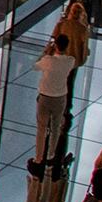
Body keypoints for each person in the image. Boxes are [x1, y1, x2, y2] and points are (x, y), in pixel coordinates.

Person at [32, 33, 77, 170]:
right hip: (60, 97)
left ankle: (39, 157)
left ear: (55, 45)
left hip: (45, 96)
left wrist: (46, 51)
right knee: (56, 127)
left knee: (41, 127)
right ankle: (51, 154)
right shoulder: (70, 61)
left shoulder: (47, 60)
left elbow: (34, 66)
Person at [57, 0, 92, 67]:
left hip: (63, 60)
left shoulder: (62, 24)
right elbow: (84, 49)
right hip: (74, 61)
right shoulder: (83, 29)